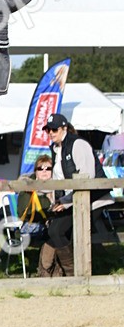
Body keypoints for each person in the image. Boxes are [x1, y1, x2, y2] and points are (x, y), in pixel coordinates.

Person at [41, 112, 113, 276]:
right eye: (48, 130)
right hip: (74, 199)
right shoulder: (55, 149)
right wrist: (58, 200)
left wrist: (66, 202)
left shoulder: (78, 144)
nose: (51, 133)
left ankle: (76, 274)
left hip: (94, 199)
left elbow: (87, 179)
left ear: (64, 128)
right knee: (55, 230)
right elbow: (59, 180)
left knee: (64, 231)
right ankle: (71, 272)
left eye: (54, 129)